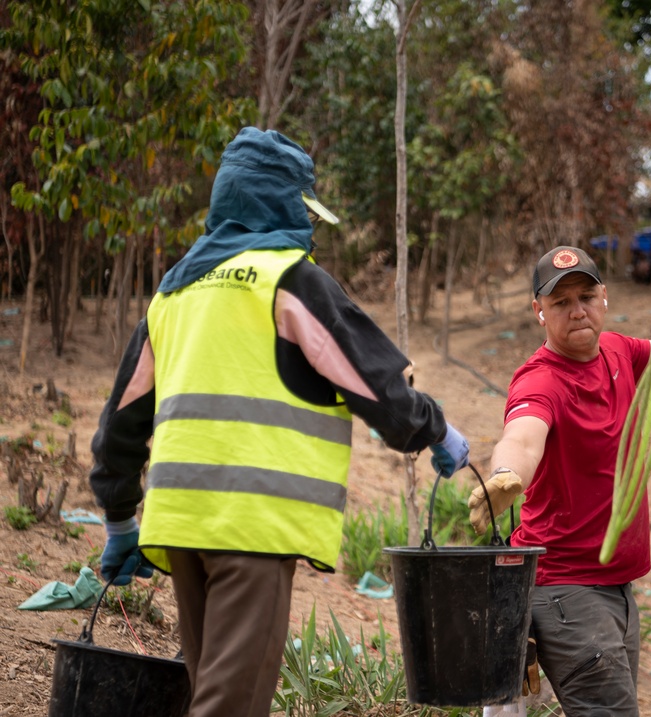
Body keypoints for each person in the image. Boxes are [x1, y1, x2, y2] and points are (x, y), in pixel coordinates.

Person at [89, 127, 470, 717]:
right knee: (229, 707)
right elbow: (378, 388)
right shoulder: (290, 281)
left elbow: (122, 418)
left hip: (180, 527)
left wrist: (118, 516)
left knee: (211, 690)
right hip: (252, 527)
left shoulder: (174, 292)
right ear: (285, 203)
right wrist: (437, 431)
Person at [467, 242, 651, 716]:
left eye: (585, 296)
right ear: (538, 311)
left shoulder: (621, 352)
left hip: (616, 589)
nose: (576, 310)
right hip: (567, 590)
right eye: (560, 302)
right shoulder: (539, 380)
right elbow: (522, 437)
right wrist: (506, 475)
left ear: (604, 297)